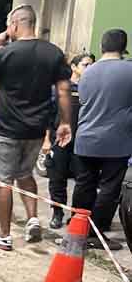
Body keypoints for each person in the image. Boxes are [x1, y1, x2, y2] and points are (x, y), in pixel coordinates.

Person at [0, 4, 72, 251]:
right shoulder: (53, 53)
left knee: (3, 182)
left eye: (9, 25)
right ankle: (32, 219)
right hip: (36, 131)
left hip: (7, 129)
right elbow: (63, 91)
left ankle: (4, 234)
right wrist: (65, 123)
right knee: (25, 174)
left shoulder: (6, 52)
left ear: (15, 24)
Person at [72, 29, 132, 250]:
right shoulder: (129, 70)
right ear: (123, 47)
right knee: (109, 188)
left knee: (84, 184)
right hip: (116, 142)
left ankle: (77, 230)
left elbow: (85, 101)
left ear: (102, 45)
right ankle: (96, 233)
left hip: (86, 138)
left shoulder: (87, 72)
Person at [43, 53, 93, 229]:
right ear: (74, 67)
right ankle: (57, 213)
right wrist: (46, 140)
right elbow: (48, 116)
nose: (89, 68)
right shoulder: (60, 89)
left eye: (91, 65)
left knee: (84, 181)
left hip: (83, 142)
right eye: (86, 65)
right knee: (57, 178)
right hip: (61, 140)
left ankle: (76, 217)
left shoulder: (92, 89)